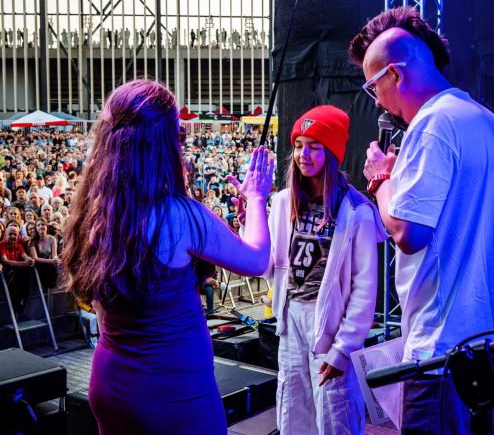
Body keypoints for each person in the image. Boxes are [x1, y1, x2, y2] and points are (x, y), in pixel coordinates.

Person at [62, 79, 274, 435]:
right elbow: (256, 260)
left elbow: (100, 309)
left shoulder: (94, 214)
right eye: (179, 134)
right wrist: (255, 199)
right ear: (165, 143)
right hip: (174, 393)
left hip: (111, 383)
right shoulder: (178, 216)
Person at [348, 6, 494, 433]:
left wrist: (381, 179)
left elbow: (408, 232)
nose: (378, 101)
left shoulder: (430, 126)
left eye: (374, 87)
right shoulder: (485, 120)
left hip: (445, 351)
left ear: (394, 74)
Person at [244, 105, 387, 435]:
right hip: (291, 320)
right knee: (293, 413)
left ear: (331, 152)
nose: (302, 155)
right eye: (297, 145)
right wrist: (252, 219)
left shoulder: (356, 211)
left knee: (335, 414)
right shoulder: (284, 202)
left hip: (331, 326)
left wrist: (344, 347)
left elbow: (365, 288)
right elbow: (268, 267)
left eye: (313, 146)